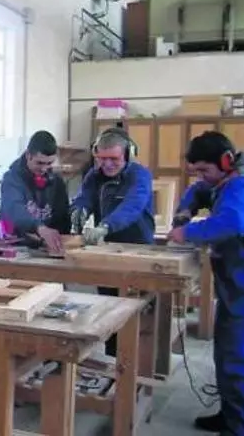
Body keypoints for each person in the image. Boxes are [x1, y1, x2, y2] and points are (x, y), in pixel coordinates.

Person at [168, 131, 244, 436]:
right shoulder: (227, 179)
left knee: (239, 361)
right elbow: (199, 190)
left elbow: (234, 222)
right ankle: (231, 416)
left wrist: (188, 233)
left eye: (204, 170)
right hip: (241, 281)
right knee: (225, 353)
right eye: (196, 170)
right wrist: (185, 211)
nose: (201, 176)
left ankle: (242, 430)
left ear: (226, 162)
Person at [70, 127, 155, 356]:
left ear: (128, 155)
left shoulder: (140, 175)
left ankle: (136, 362)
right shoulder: (93, 176)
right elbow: (84, 197)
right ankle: (112, 359)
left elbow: (132, 206)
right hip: (107, 249)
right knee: (109, 306)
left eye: (114, 159)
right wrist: (79, 209)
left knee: (135, 309)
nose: (107, 164)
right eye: (102, 158)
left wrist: (106, 225)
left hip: (137, 249)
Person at [0, 130, 71, 254]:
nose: (44, 169)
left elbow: (62, 218)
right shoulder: (12, 179)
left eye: (49, 163)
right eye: (39, 163)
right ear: (28, 155)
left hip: (45, 249)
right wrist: (39, 228)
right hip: (14, 248)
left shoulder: (56, 182)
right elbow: (14, 211)